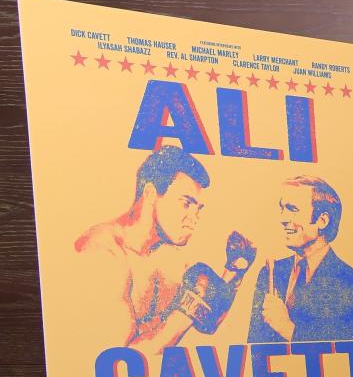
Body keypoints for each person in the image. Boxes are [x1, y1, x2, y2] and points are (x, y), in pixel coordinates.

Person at [75, 145, 255, 356]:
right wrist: (189, 308)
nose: (193, 220)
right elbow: (120, 362)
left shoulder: (171, 258)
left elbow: (209, 322)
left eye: (198, 209)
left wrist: (234, 272)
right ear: (151, 193)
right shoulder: (103, 253)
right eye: (187, 203)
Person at [247, 175, 353, 342]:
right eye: (282, 208)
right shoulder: (270, 273)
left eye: (293, 209)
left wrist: (289, 329)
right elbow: (254, 348)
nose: (283, 219)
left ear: (322, 220)